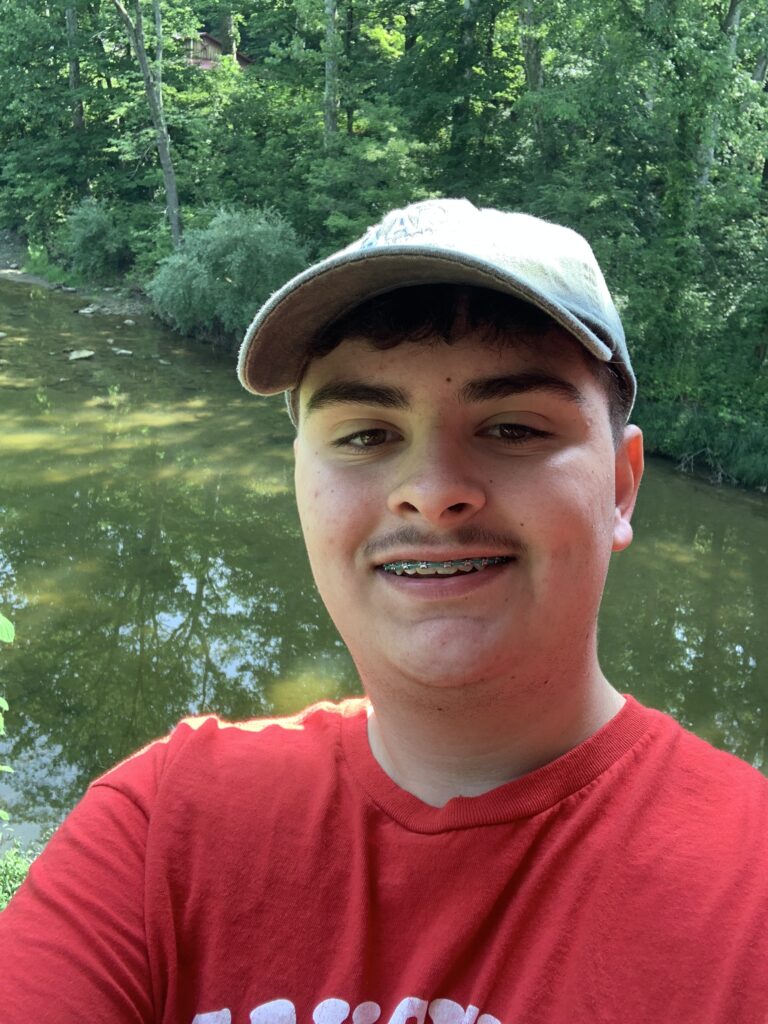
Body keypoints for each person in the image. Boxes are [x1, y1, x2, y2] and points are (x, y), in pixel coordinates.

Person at [2, 199, 767, 1023]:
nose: (432, 492)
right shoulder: (160, 832)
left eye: (511, 427)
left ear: (620, 486)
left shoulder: (748, 888)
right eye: (366, 434)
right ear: (301, 481)